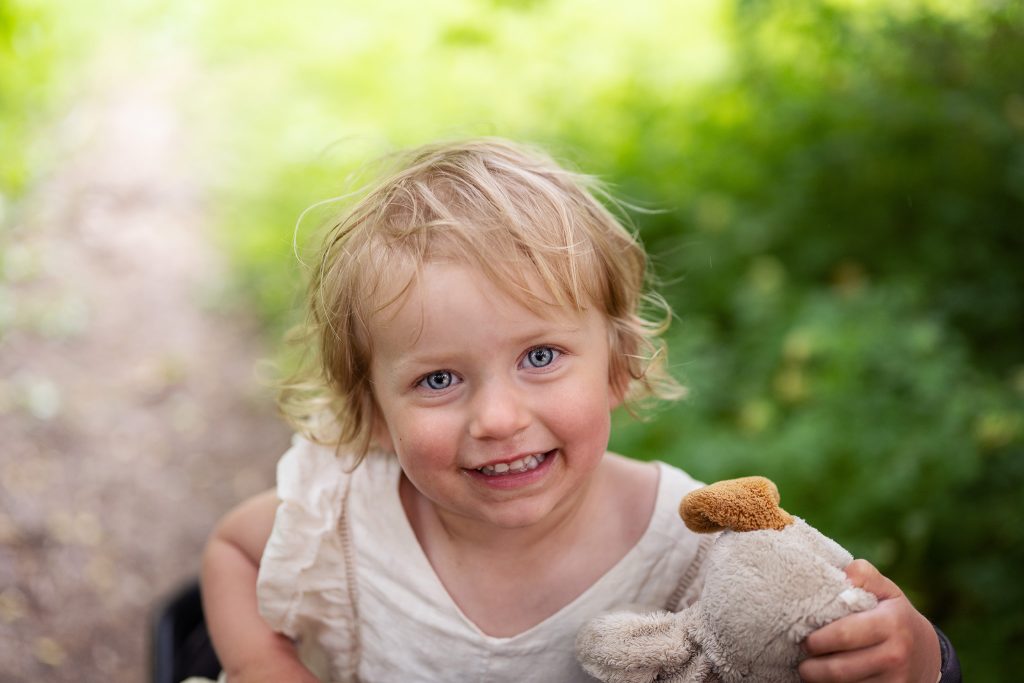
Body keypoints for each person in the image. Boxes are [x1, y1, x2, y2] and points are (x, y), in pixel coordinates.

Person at [198, 138, 957, 682]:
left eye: (538, 357)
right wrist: (262, 661)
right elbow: (234, 550)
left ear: (618, 367)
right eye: (437, 380)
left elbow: (831, 627)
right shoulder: (348, 513)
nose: (496, 417)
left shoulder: (688, 539)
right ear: (369, 410)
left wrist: (915, 656)